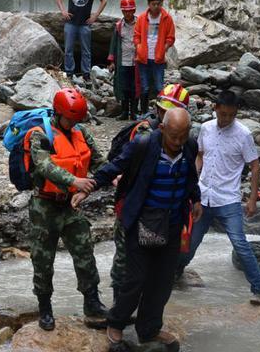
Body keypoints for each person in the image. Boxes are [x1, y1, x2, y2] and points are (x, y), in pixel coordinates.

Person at [73, 108, 202, 352]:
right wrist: (87, 188)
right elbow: (114, 167)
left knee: (163, 281)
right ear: (162, 129)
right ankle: (116, 322)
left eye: (182, 136)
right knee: (135, 279)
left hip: (173, 222)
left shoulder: (189, 146)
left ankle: (148, 329)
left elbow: (190, 178)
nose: (178, 142)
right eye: (173, 136)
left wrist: (195, 200)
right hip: (142, 221)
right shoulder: (143, 145)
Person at [26, 88, 108, 331]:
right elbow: (45, 166)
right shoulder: (40, 135)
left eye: (77, 119)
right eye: (70, 119)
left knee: (85, 252)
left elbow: (98, 161)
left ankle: (92, 302)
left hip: (72, 205)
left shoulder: (81, 132)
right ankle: (45, 307)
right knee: (43, 260)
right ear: (59, 113)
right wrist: (75, 181)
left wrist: (111, 176)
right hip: (45, 206)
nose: (74, 123)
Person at [177, 90, 260, 305]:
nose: (226, 119)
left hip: (228, 199)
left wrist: (253, 198)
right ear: (215, 108)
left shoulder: (243, 134)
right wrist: (193, 181)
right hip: (203, 196)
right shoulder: (206, 128)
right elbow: (200, 155)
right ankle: (175, 273)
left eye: (231, 115)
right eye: (223, 113)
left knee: (240, 244)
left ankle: (259, 290)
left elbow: (255, 167)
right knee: (190, 243)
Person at [107, 83, 190, 304]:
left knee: (149, 259)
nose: (163, 115)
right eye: (162, 111)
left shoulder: (181, 141)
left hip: (159, 212)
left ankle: (136, 304)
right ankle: (119, 303)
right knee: (125, 257)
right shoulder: (145, 134)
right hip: (133, 208)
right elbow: (118, 165)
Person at [56, 0, 107, 82]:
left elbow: (104, 0)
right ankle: (69, 73)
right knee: (68, 50)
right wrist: (63, 11)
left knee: (86, 51)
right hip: (71, 23)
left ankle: (86, 74)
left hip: (85, 24)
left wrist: (95, 16)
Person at [134, 0, 175, 114]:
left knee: (159, 87)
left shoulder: (167, 18)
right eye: (153, 4)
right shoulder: (142, 18)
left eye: (158, 4)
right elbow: (136, 35)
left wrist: (165, 48)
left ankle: (160, 113)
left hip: (158, 58)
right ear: (148, 4)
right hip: (143, 58)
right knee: (144, 88)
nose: (156, 7)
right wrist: (138, 47)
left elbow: (171, 37)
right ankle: (144, 112)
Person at [108, 0, 139, 121]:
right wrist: (111, 61)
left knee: (135, 87)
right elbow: (114, 44)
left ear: (134, 10)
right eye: (125, 11)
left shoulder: (141, 23)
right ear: (122, 12)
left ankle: (135, 112)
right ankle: (125, 112)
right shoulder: (118, 26)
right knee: (124, 87)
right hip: (123, 61)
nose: (128, 13)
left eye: (130, 10)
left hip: (137, 61)